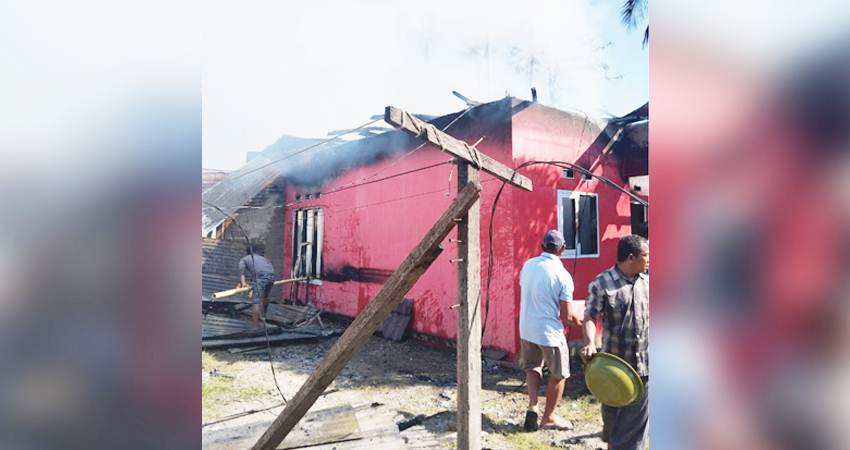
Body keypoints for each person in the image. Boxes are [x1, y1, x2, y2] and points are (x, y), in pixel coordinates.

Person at [581, 234, 649, 450]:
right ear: (631, 258)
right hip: (615, 371)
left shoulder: (648, 283)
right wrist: (591, 342)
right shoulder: (602, 283)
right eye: (646, 256)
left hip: (646, 368)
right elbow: (590, 316)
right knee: (614, 431)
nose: (649, 260)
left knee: (636, 433)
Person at [518, 230, 583, 432]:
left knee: (533, 367)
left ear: (542, 246)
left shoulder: (528, 265)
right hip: (549, 333)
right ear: (562, 249)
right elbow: (567, 317)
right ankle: (549, 417)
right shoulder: (563, 275)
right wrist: (582, 322)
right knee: (559, 374)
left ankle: (533, 405)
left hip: (527, 328)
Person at [237, 242, 276, 328]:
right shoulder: (263, 258)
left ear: (247, 252)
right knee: (265, 297)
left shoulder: (244, 259)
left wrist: (243, 284)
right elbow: (266, 269)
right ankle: (263, 318)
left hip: (261, 277)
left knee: (256, 301)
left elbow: (242, 273)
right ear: (256, 251)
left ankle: (255, 326)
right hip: (272, 277)